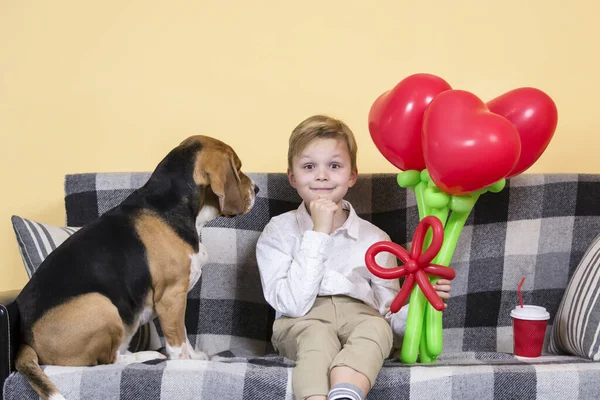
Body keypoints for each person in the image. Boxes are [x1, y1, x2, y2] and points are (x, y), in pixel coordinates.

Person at [256, 115, 452, 400]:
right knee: (317, 338)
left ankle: (346, 394)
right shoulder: (279, 231)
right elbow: (292, 305)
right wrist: (319, 233)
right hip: (302, 319)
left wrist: (421, 302)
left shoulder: (376, 239)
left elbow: (389, 315)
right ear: (292, 177)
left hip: (363, 316)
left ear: (351, 175)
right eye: (309, 166)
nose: (322, 175)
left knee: (376, 329)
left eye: (334, 166)